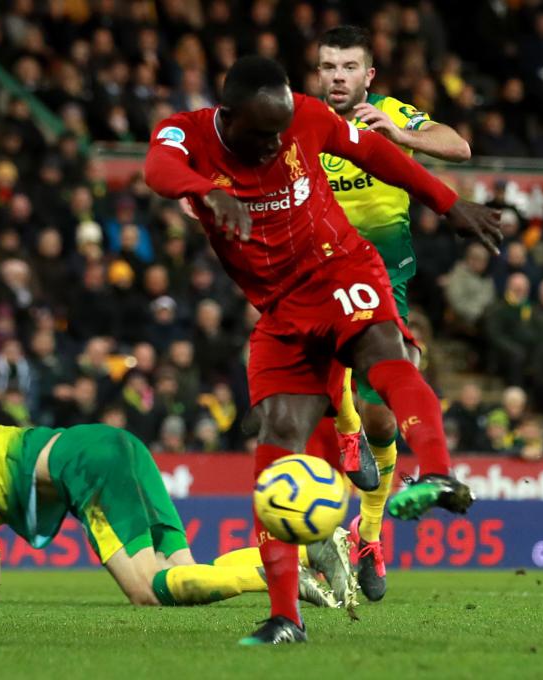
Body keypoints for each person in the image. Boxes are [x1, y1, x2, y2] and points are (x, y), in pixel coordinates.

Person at [143, 55, 500, 644]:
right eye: (261, 135)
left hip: (339, 267)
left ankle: (436, 474)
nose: (273, 145)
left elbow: (377, 153)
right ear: (228, 116)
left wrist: (445, 202)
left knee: (387, 362)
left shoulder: (304, 116)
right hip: (281, 311)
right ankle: (286, 617)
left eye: (280, 131)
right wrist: (205, 190)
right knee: (276, 447)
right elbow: (158, 168)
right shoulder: (186, 134)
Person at [0, 424, 351, 609]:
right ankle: (306, 551)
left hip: (84, 460)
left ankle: (271, 576)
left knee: (146, 593)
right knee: (181, 572)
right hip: (113, 444)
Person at [316, 25, 472, 602]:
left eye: (348, 66)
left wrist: (402, 131)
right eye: (328, 66)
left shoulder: (388, 111)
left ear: (368, 75)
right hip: (322, 271)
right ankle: (345, 431)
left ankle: (370, 535)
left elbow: (458, 146)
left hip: (384, 278)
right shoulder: (305, 118)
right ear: (317, 73)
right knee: (314, 397)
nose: (338, 76)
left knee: (385, 420)